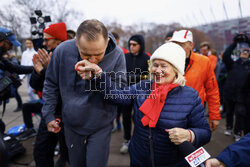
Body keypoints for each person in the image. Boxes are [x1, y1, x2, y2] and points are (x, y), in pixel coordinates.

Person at [76, 42, 211, 166]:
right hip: (139, 160)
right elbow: (117, 96)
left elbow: (205, 132)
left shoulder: (190, 96)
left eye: (163, 66)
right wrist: (99, 74)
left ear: (176, 70)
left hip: (174, 163)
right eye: (155, 65)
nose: (157, 70)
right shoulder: (143, 87)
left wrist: (189, 134)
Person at [42, 19, 127, 167]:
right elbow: (51, 84)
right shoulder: (62, 51)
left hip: (101, 123)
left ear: (107, 42)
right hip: (71, 123)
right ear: (76, 43)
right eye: (86, 54)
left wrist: (98, 77)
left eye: (99, 54)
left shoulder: (118, 54)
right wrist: (49, 115)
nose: (93, 60)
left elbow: (120, 94)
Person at [23, 22, 69, 167]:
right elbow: (36, 85)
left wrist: (47, 71)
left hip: (66, 114)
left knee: (66, 154)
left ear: (58, 39)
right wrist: (38, 72)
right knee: (41, 151)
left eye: (47, 39)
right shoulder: (46, 55)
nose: (43, 42)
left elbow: (65, 87)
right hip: (49, 111)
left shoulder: (69, 56)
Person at [169, 30, 221, 131]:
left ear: (191, 45)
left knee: (193, 143)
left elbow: (212, 90)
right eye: (175, 44)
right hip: (170, 113)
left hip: (194, 113)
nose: (177, 48)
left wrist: (214, 116)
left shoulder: (203, 62)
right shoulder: (166, 61)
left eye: (182, 45)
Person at [119, 34, 150, 154]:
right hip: (126, 92)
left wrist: (138, 78)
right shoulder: (124, 57)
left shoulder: (147, 58)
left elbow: (149, 77)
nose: (131, 47)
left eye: (134, 45)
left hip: (141, 94)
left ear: (140, 45)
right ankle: (126, 140)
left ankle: (138, 141)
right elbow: (119, 73)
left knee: (138, 118)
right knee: (125, 117)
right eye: (130, 44)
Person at [222, 34, 250, 141]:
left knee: (240, 114)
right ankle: (229, 127)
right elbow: (225, 56)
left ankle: (237, 131)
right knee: (229, 111)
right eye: (243, 51)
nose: (244, 53)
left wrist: (248, 43)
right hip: (230, 92)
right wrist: (235, 43)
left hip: (242, 95)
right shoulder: (233, 64)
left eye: (247, 51)